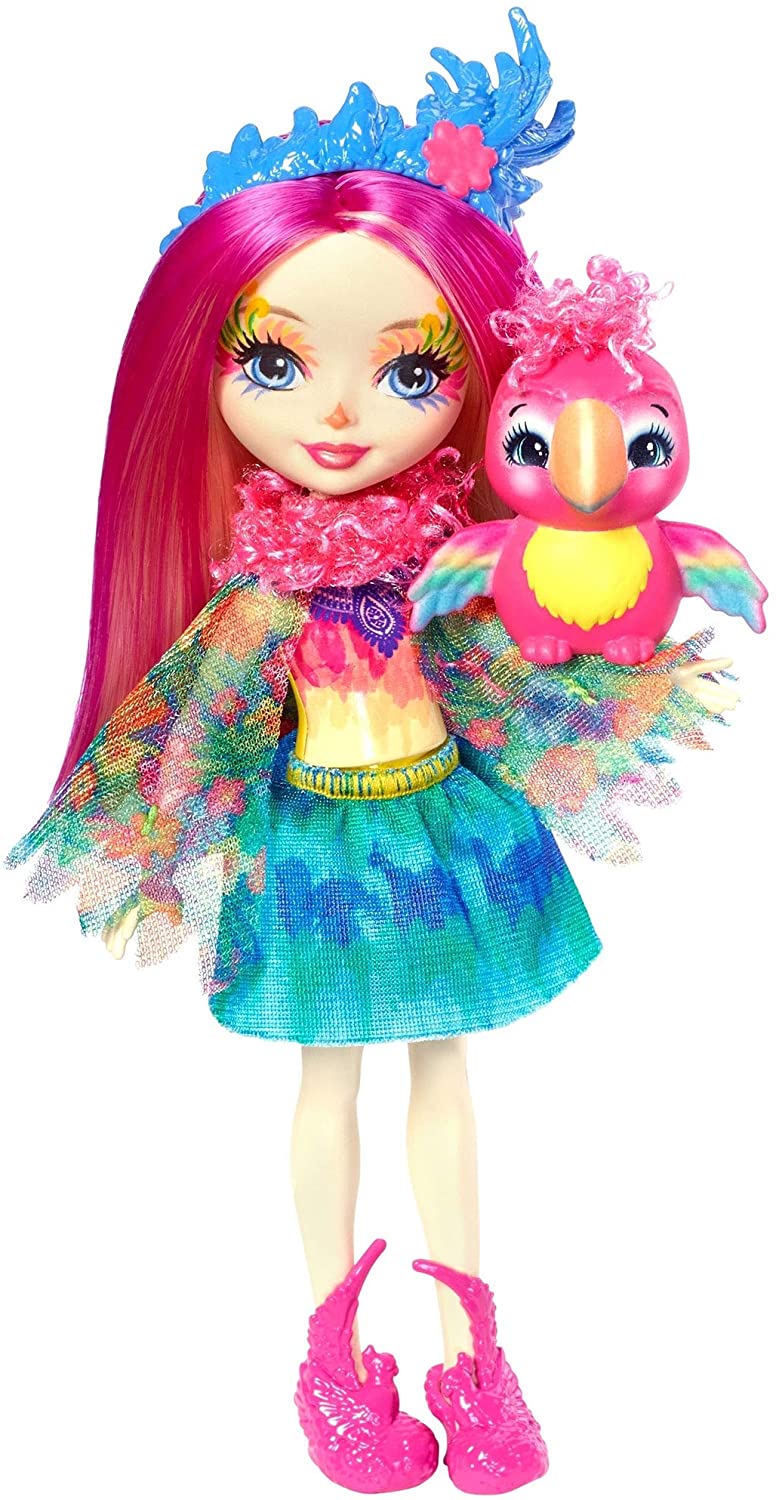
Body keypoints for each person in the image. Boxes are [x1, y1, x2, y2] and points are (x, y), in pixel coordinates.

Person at [3, 11, 732, 1493]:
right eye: (274, 361)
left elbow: (522, 658)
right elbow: (199, 718)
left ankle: (473, 1347)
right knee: (326, 1081)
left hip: (440, 821)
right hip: (316, 843)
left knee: (443, 1073)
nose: (334, 412)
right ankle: (333, 1357)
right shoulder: (260, 587)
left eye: (410, 374)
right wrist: (154, 811)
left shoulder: (448, 564)